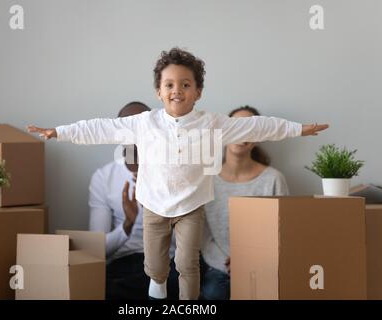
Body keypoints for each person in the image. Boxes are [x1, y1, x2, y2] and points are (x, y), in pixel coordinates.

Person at [27, 47, 328, 300]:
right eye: (169, 84)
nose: (177, 90)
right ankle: (156, 286)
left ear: (198, 91)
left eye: (185, 84)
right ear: (158, 91)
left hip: (191, 206)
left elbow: (259, 126)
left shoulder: (212, 123)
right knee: (155, 267)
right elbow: (101, 128)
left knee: (187, 263)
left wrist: (298, 129)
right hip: (154, 205)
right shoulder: (144, 123)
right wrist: (61, 132)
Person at [89, 101, 179, 300]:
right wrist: (127, 226)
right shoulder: (104, 177)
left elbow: (186, 242)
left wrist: (155, 207)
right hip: (124, 262)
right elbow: (97, 249)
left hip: (168, 261)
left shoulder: (173, 173)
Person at [200, 105, 290, 300]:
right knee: (213, 293)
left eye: (249, 128)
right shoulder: (207, 179)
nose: (241, 134)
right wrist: (228, 262)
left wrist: (252, 260)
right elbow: (202, 234)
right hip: (219, 266)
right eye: (236, 127)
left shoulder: (273, 179)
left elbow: (283, 231)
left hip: (263, 265)